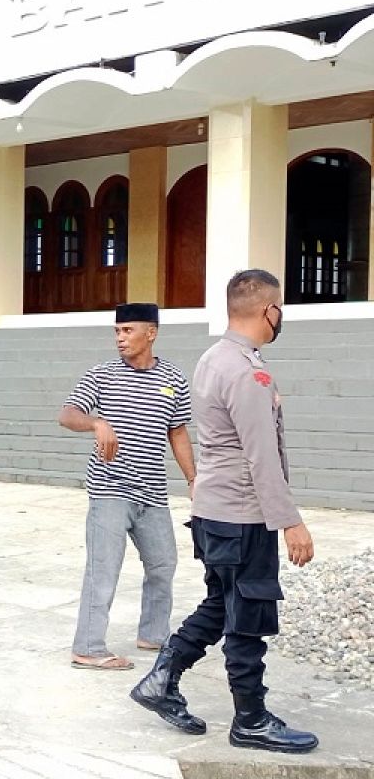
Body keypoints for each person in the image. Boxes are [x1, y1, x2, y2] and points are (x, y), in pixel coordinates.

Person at [131, 269, 318, 753]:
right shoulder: (245, 370)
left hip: (216, 511)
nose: (280, 318)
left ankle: (160, 680)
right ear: (268, 310)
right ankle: (251, 719)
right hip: (242, 514)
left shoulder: (214, 358)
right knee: (247, 615)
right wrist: (290, 521)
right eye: (280, 310)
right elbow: (261, 455)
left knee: (221, 603)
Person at [59, 303, 196, 670]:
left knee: (163, 564)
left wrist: (193, 479)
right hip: (109, 490)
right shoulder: (100, 375)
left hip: (152, 492)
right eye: (117, 332)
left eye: (128, 331)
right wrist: (96, 424)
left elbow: (178, 432)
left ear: (151, 332)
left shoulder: (174, 379)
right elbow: (68, 414)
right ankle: (87, 646)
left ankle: (153, 635)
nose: (120, 338)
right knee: (103, 568)